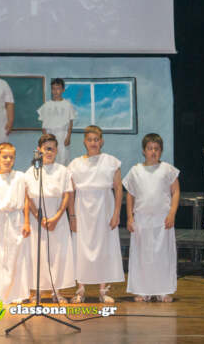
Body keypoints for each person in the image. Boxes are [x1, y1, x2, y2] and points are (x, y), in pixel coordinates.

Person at [68, 125, 125, 303]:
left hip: (104, 209)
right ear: (84, 142)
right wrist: (72, 216)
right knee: (81, 248)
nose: (93, 143)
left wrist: (116, 213)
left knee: (104, 248)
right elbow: (70, 192)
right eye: (90, 140)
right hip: (82, 211)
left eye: (96, 140)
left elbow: (118, 188)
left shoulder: (111, 162)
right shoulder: (75, 164)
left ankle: (103, 290)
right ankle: (81, 289)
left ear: (101, 141)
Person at [123, 133, 180, 302]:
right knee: (142, 256)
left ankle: (163, 290)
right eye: (150, 148)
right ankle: (142, 290)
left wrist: (172, 213)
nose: (153, 152)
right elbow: (130, 195)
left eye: (156, 149)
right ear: (144, 151)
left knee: (163, 256)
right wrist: (129, 217)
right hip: (141, 220)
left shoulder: (167, 169)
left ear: (161, 151)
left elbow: (176, 191)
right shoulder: (135, 170)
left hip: (162, 220)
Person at [25, 134, 76, 303]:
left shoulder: (63, 171)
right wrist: (39, 217)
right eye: (46, 149)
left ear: (56, 151)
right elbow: (28, 197)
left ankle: (57, 291)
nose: (49, 152)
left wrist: (57, 217)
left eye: (52, 149)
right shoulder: (31, 172)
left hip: (58, 220)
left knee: (57, 255)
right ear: (39, 150)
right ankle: (37, 292)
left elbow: (67, 195)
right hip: (37, 221)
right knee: (37, 255)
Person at [0, 142, 32, 304]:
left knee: (18, 256)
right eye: (4, 157)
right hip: (0, 219)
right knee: (0, 256)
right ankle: (1, 293)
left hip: (17, 219)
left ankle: (18, 293)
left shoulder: (20, 177)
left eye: (11, 157)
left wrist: (26, 221)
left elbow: (26, 200)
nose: (8, 160)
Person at [37, 78, 76, 166]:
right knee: (49, 157)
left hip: (62, 135)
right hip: (49, 135)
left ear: (63, 90)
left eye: (58, 88)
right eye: (53, 89)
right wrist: (45, 138)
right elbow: (43, 124)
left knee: (63, 158)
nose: (55, 91)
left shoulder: (68, 105)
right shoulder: (47, 105)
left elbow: (70, 123)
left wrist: (68, 137)